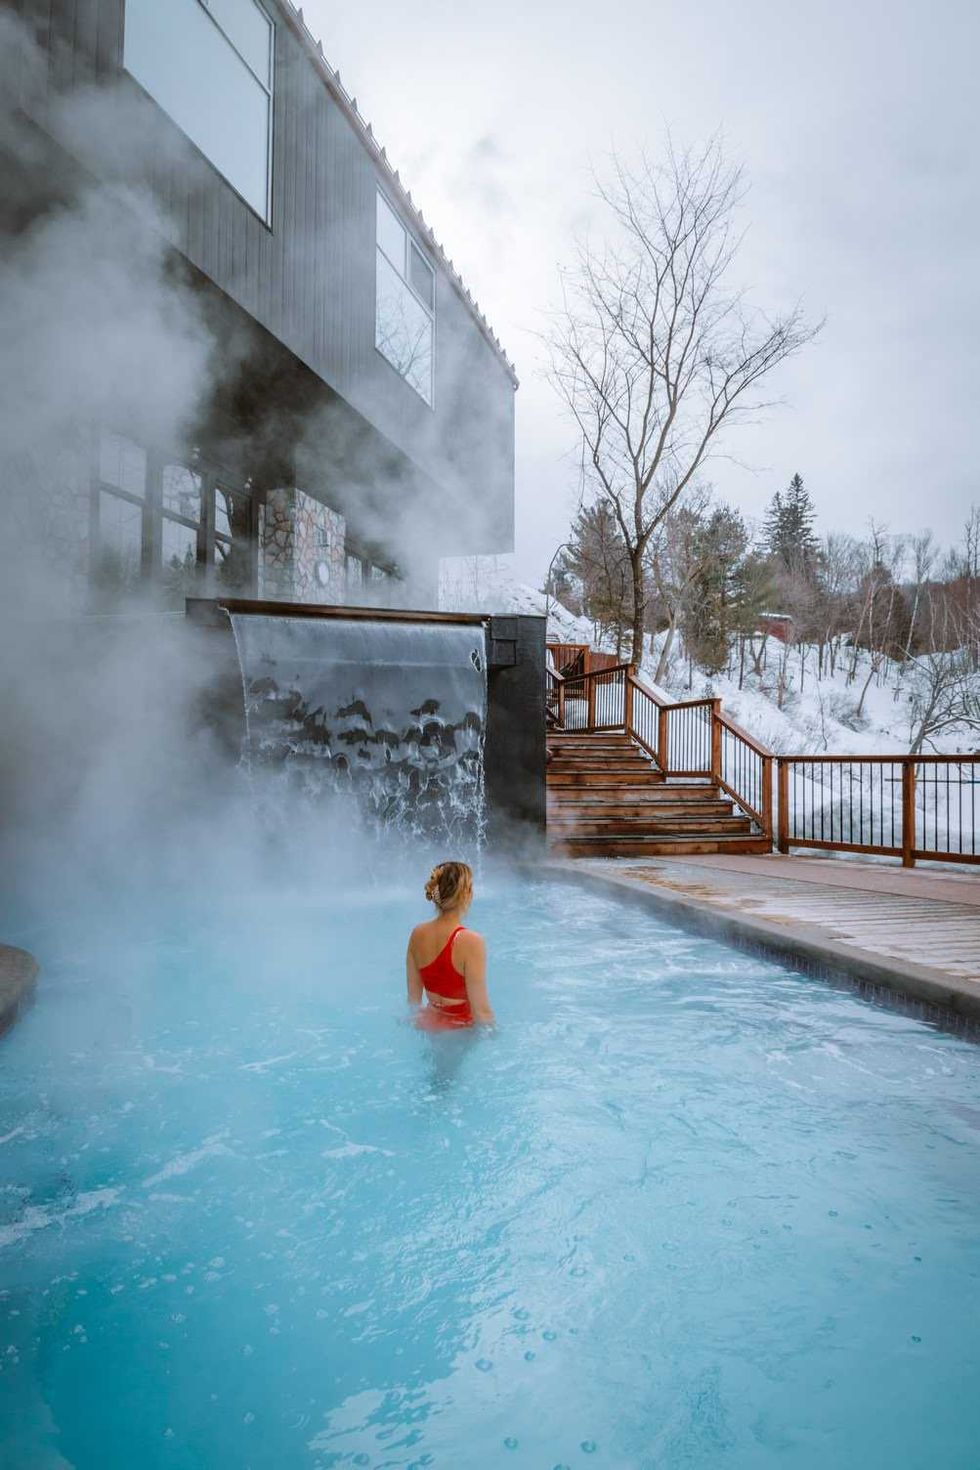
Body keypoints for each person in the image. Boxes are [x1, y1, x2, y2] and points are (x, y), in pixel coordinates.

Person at [406, 861, 495, 1029]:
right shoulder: (472, 941)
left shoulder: (417, 934)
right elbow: (481, 1011)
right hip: (460, 1029)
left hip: (428, 1025)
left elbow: (413, 1002)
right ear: (466, 894)